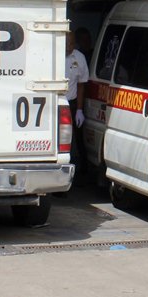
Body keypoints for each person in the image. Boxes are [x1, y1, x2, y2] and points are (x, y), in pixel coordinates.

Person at [65, 30, 89, 183]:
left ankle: (82, 174)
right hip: (56, 103)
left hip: (72, 103)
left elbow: (81, 85)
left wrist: (79, 109)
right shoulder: (52, 55)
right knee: (61, 141)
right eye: (67, 43)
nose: (69, 46)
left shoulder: (79, 57)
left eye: (72, 43)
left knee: (77, 139)